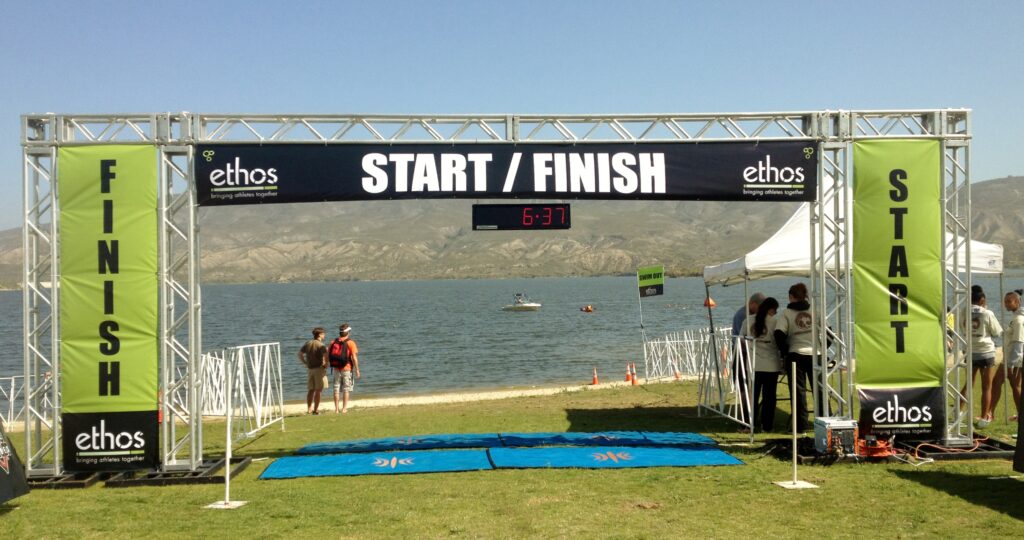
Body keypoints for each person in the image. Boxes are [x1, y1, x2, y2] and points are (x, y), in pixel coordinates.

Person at [774, 283, 817, 432]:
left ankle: (800, 426)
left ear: (791, 297)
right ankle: (826, 422)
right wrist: (822, 348)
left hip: (795, 354)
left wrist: (786, 351)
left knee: (798, 392)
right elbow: (828, 331)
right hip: (816, 354)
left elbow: (778, 334)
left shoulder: (786, 313)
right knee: (820, 390)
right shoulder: (816, 310)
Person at [741, 297, 782, 432]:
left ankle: (749, 424)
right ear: (771, 310)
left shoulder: (748, 321)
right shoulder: (775, 322)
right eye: (775, 311)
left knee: (752, 396)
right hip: (771, 365)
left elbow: (741, 340)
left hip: (753, 365)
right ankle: (767, 426)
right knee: (769, 398)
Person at [963, 287, 1002, 427]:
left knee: (968, 384)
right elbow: (997, 332)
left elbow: (961, 329)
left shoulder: (963, 311)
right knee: (987, 387)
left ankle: (958, 412)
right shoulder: (987, 313)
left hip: (970, 351)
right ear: (982, 299)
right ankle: (984, 418)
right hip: (986, 353)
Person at [732, 292, 765, 427]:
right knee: (745, 388)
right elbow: (744, 337)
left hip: (747, 354)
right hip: (742, 355)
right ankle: (746, 419)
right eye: (760, 307)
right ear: (753, 304)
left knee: (750, 389)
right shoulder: (743, 316)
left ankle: (750, 418)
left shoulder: (748, 315)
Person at [328, 323, 361, 414]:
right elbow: (354, 357)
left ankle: (336, 409)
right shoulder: (351, 342)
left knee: (336, 388)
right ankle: (344, 409)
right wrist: (357, 369)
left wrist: (326, 365)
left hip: (335, 368)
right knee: (346, 389)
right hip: (347, 368)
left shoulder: (333, 342)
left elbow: (328, 355)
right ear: (347, 333)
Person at [1001, 290, 1023, 422]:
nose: (1006, 304)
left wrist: (1011, 363)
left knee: (1015, 384)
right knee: (1016, 385)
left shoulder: (1019, 319)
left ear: (1017, 302)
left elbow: (1019, 343)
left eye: (1009, 301)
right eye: (1005, 301)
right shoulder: (1017, 317)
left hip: (1017, 359)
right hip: (1016, 358)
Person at [298, 326, 328, 415]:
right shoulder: (321, 345)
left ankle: (309, 409)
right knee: (319, 390)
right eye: (323, 334)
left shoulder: (308, 343)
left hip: (310, 369)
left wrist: (305, 363)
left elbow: (300, 354)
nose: (324, 335)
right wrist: (326, 364)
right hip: (319, 369)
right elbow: (326, 355)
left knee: (311, 390)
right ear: (320, 335)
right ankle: (316, 410)